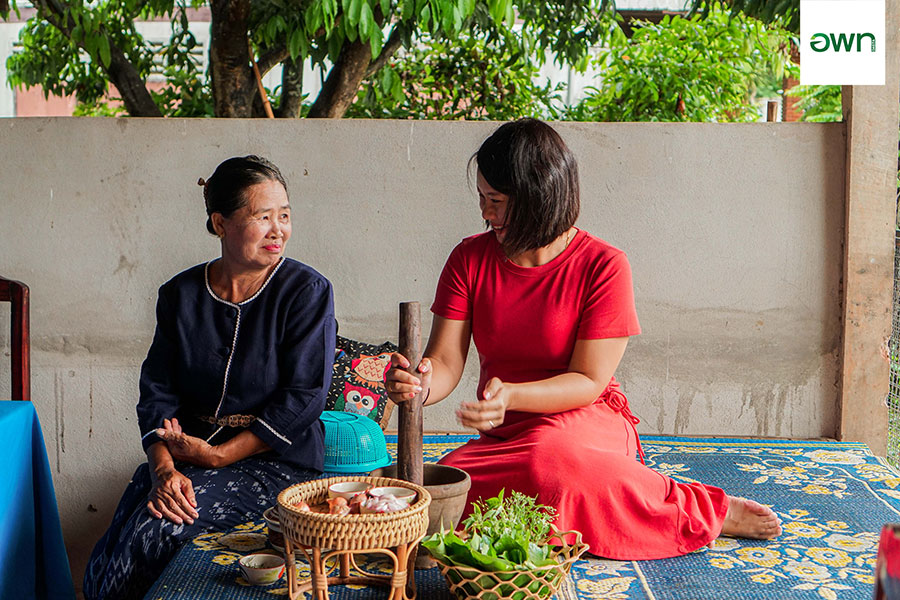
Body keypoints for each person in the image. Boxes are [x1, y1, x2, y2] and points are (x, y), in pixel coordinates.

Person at [385, 119, 782, 560]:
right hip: (508, 434)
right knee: (427, 494)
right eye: (481, 198)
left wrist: (512, 395)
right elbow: (445, 360)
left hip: (583, 422)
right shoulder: (468, 258)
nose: (485, 213)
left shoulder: (604, 265)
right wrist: (420, 384)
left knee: (550, 464)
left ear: (536, 200)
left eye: (495, 201)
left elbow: (589, 380)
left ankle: (701, 508)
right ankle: (590, 497)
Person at [83, 156, 337, 599]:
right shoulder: (180, 294)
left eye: (285, 215)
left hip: (273, 461)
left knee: (156, 530)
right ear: (221, 223)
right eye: (263, 217)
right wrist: (163, 468)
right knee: (108, 553)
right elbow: (157, 389)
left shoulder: (306, 292)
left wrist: (217, 458)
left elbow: (304, 397)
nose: (278, 229)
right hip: (184, 453)